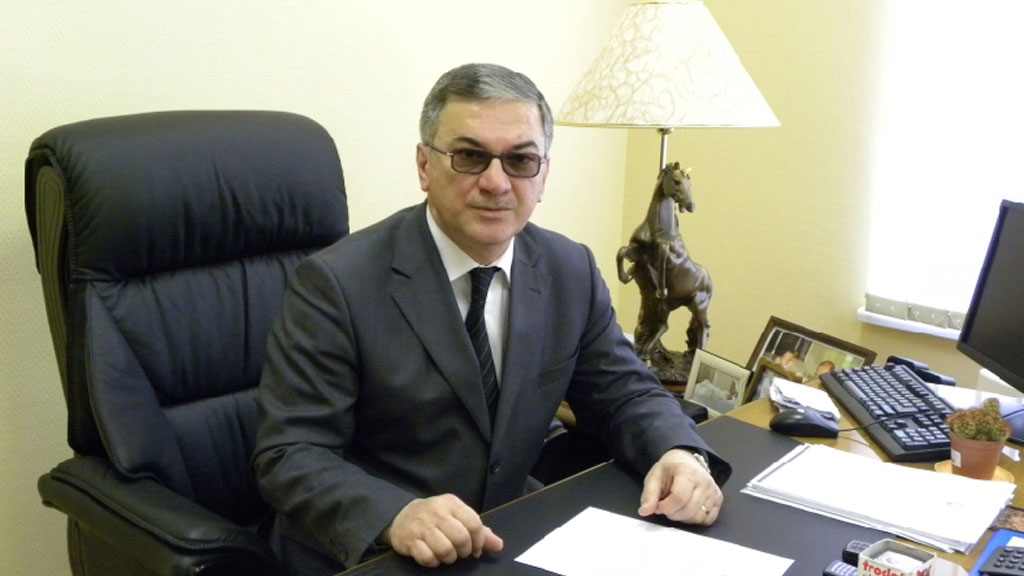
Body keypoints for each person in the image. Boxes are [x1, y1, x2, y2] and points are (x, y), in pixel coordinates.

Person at [252, 63, 731, 574]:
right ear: (424, 165)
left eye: (520, 160)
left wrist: (678, 453)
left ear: (543, 175)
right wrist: (395, 515)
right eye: (469, 156)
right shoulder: (337, 283)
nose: (496, 182)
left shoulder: (569, 268)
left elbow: (624, 393)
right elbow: (290, 453)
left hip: (506, 533)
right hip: (372, 554)